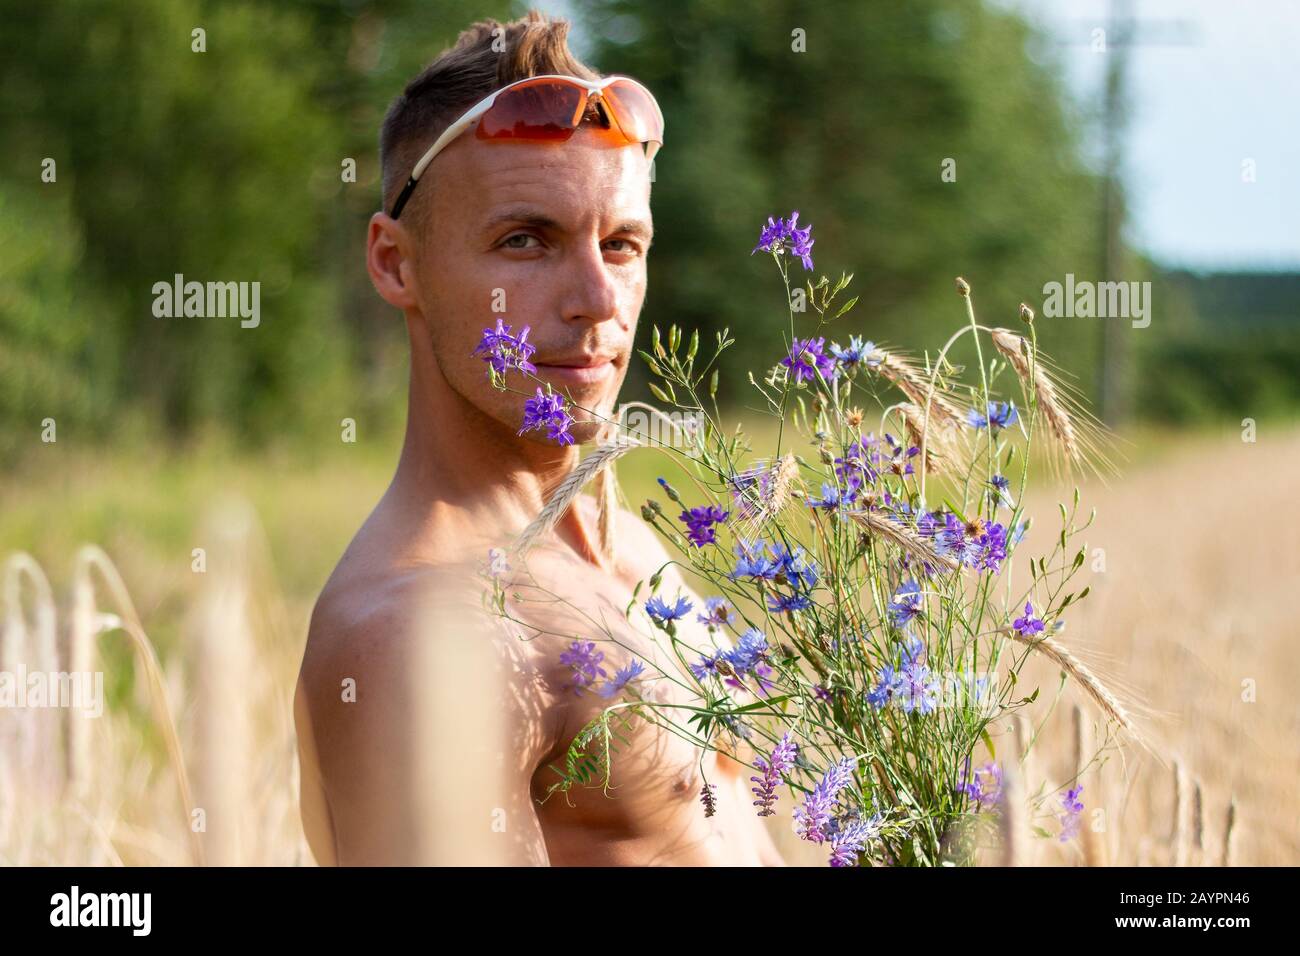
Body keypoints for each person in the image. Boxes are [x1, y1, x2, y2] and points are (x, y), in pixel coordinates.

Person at [293, 10, 786, 866]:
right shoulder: (415, 636)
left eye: (623, 243)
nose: (597, 297)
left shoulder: (634, 554)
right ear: (394, 262)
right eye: (526, 241)